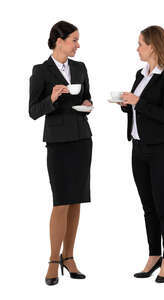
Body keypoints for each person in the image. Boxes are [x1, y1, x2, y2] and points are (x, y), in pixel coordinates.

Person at [29, 21, 93, 286]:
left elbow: (87, 97)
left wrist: (88, 104)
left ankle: (69, 257)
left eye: (78, 41)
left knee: (76, 200)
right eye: (74, 40)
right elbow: (33, 111)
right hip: (57, 143)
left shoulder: (80, 67)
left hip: (81, 139)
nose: (78, 45)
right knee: (61, 202)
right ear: (59, 41)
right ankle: (53, 260)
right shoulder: (41, 71)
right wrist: (52, 99)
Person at [119, 25, 164, 283]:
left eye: (141, 44)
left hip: (161, 151)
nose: (138, 48)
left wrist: (137, 103)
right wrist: (126, 105)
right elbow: (139, 110)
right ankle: (153, 255)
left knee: (163, 206)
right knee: (148, 208)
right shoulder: (140, 74)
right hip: (138, 149)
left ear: (153, 46)